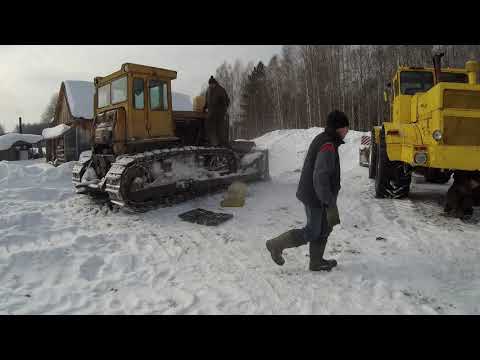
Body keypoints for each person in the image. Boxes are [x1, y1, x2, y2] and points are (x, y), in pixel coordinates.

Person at [266, 110, 349, 271]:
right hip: (315, 196)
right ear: (339, 128)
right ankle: (276, 245)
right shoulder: (328, 145)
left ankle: (316, 262)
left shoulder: (327, 140)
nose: (347, 131)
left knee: (325, 227)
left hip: (319, 195)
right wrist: (329, 202)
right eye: (346, 127)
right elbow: (320, 177)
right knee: (312, 231)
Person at [203, 76, 230, 147]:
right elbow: (207, 101)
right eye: (209, 84)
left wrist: (223, 110)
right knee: (209, 126)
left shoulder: (220, 90)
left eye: (212, 84)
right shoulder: (208, 90)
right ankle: (214, 143)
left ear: (215, 83)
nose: (210, 85)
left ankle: (221, 143)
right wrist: (205, 107)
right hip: (211, 112)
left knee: (219, 128)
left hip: (219, 113)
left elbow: (226, 101)